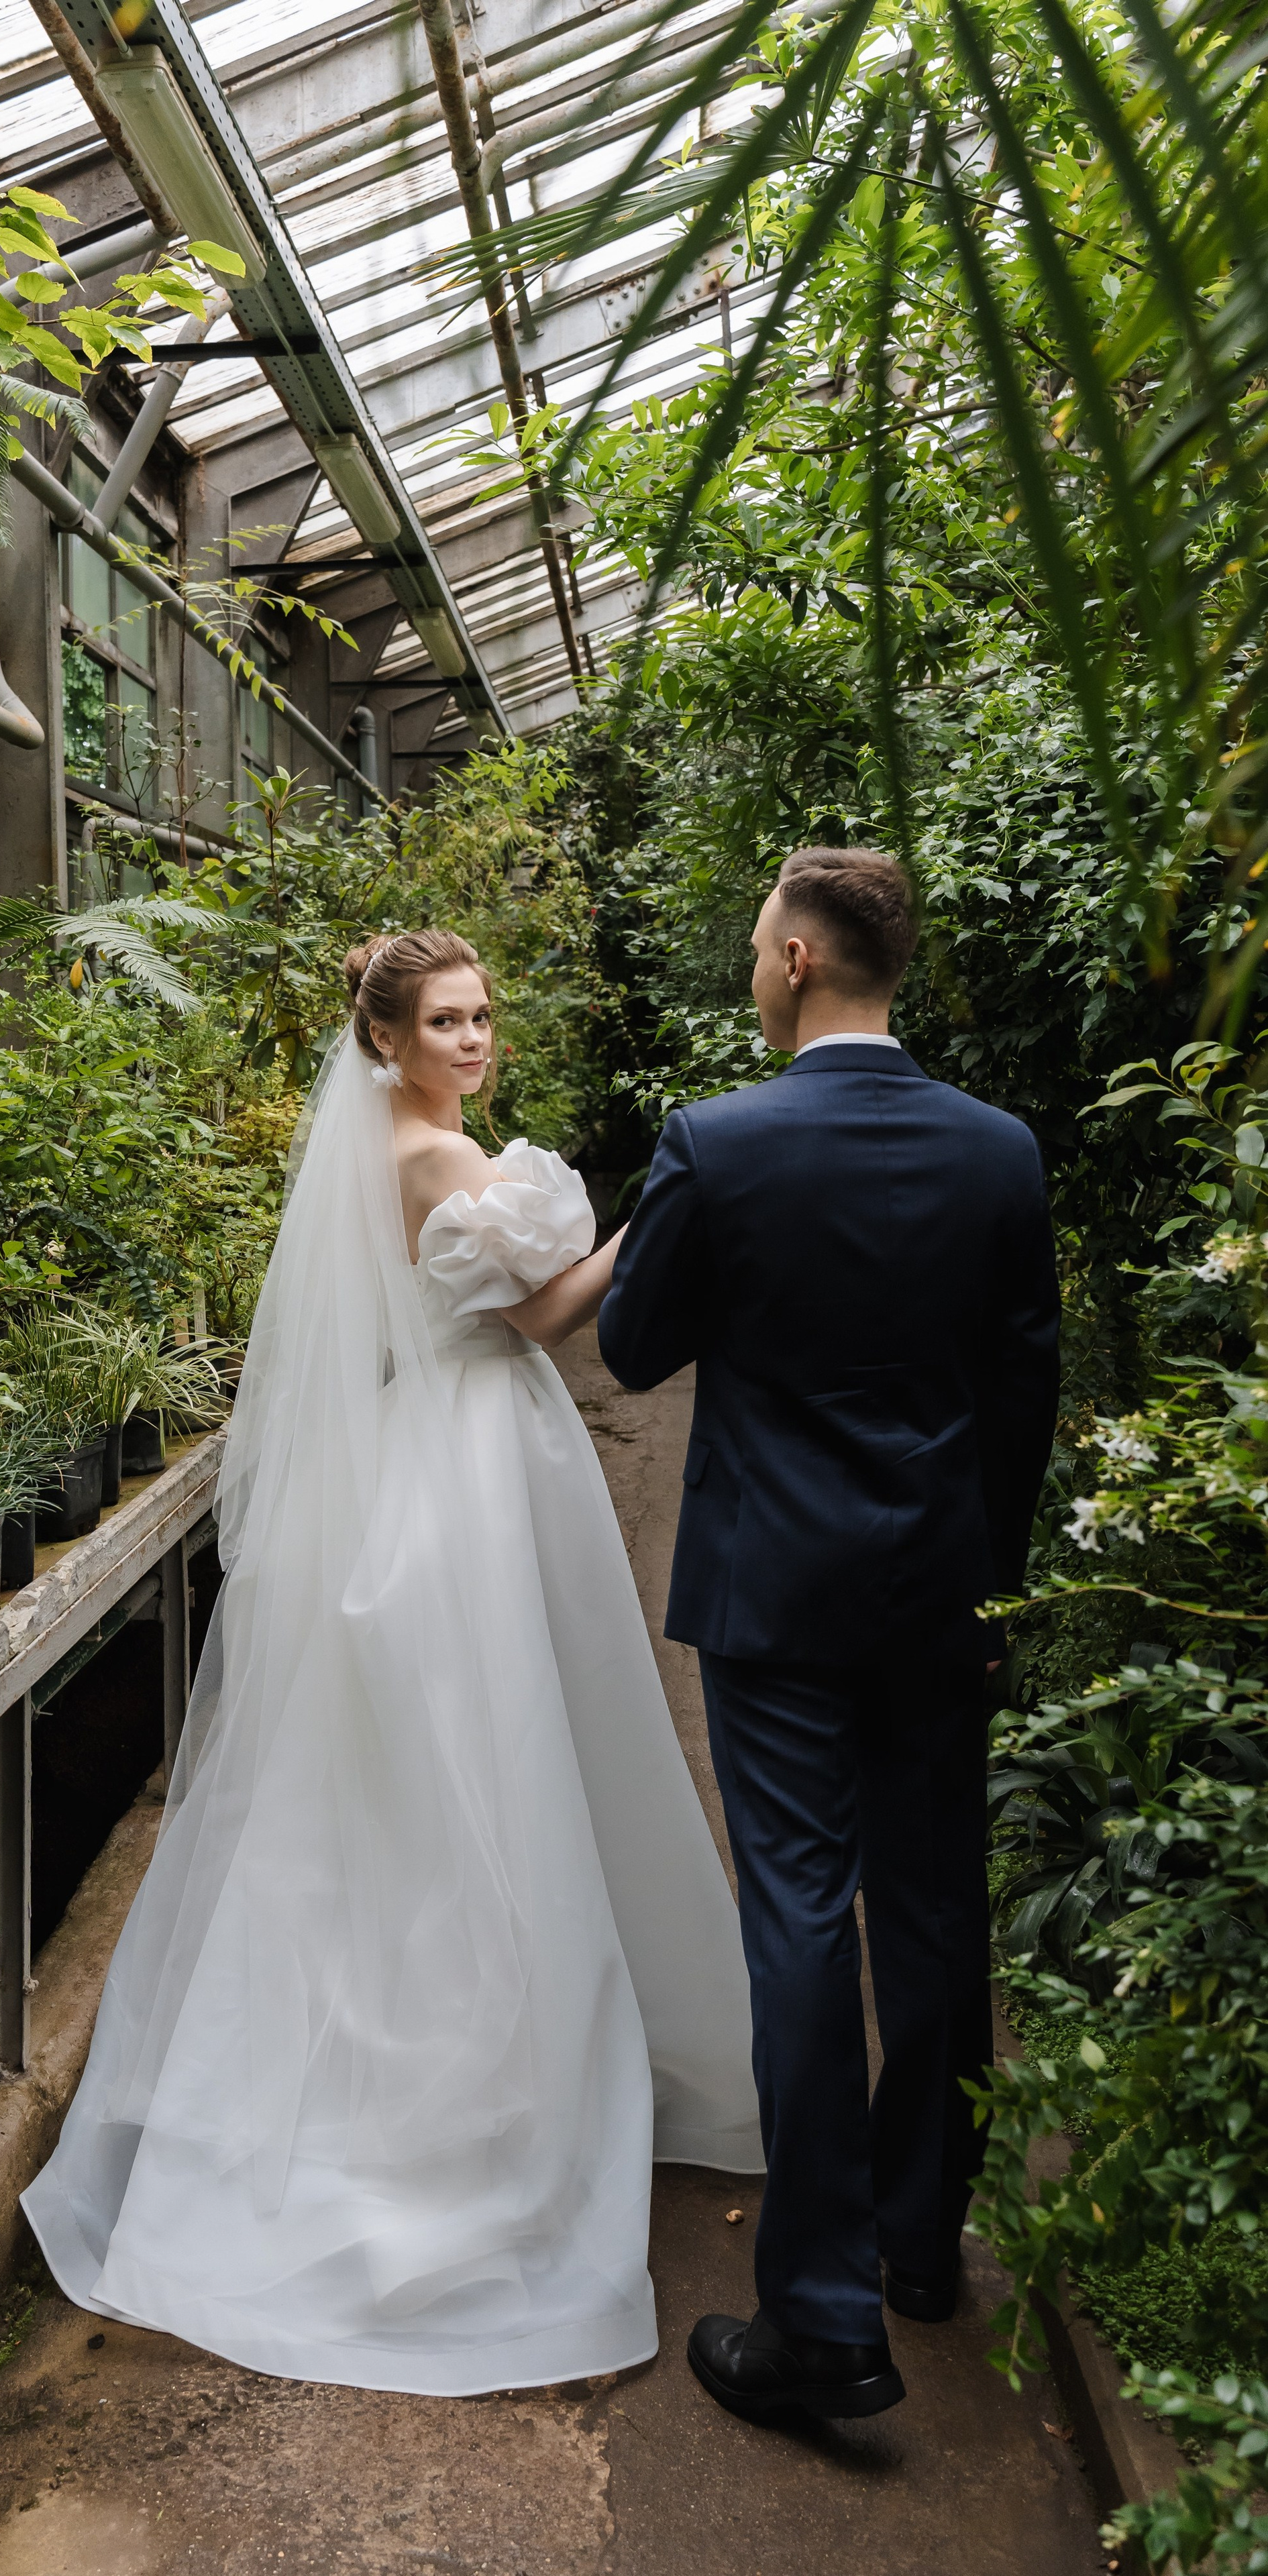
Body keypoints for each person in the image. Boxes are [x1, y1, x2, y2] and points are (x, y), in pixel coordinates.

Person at [23, 927, 762, 2396]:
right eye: (446, 1020)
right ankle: (474, 2092)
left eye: (484, 1013)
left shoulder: (417, 1135)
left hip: (456, 1447)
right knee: (494, 1749)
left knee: (465, 1749)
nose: (475, 1039)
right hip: (470, 1457)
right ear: (385, 1037)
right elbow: (547, 1320)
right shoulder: (428, 1156)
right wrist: (657, 1221)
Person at [599, 847, 1060, 2424]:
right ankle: (919, 2244)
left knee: (798, 1915)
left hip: (774, 1596)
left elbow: (636, 1339)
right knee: (933, 1912)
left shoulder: (716, 1143)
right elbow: (1020, 1398)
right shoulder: (998, 1152)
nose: (750, 963)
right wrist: (992, 1591)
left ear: (797, 959)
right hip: (938, 1590)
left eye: (753, 944)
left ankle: (817, 2316)